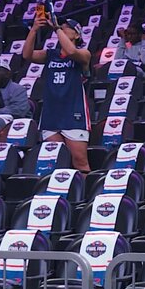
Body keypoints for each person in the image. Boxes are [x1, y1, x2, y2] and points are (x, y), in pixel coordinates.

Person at [21, 12, 91, 173]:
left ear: (77, 34)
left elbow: (71, 52)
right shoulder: (50, 54)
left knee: (80, 161)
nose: (62, 28)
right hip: (51, 113)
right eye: (61, 26)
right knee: (54, 162)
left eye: (67, 27)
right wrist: (34, 29)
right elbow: (27, 55)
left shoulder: (84, 54)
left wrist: (56, 28)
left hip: (74, 113)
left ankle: (85, 189)